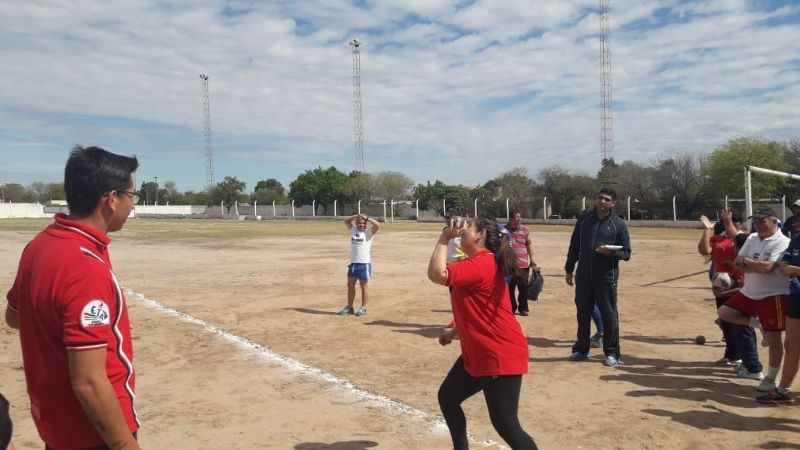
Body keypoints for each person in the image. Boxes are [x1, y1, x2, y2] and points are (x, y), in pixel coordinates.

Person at [4, 146, 141, 450]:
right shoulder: (84, 267)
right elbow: (88, 382)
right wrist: (124, 444)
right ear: (112, 198)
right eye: (132, 196)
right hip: (91, 432)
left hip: (56, 424)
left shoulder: (41, 244)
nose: (132, 206)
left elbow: (14, 316)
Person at [428, 218, 537, 450]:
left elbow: (437, 274)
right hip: (478, 352)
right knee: (448, 397)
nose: (462, 230)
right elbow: (484, 306)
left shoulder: (482, 262)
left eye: (468, 227)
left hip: (498, 354)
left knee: (507, 425)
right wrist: (456, 329)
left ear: (481, 235)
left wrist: (444, 237)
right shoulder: (481, 262)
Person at [718, 208, 790, 393]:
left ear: (774, 221)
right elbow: (738, 261)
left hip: (772, 294)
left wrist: (750, 264)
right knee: (725, 312)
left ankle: (771, 378)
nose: (758, 224)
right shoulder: (751, 238)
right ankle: (758, 324)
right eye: (755, 221)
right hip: (750, 291)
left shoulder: (783, 242)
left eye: (762, 221)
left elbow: (767, 268)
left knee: (774, 340)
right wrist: (755, 265)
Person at [564, 187, 631, 367]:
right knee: (583, 313)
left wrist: (610, 253)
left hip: (607, 277)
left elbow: (626, 253)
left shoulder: (618, 224)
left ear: (613, 203)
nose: (602, 201)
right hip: (584, 275)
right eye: (600, 198)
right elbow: (574, 245)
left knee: (609, 315)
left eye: (607, 199)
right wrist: (569, 269)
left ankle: (612, 353)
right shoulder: (584, 220)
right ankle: (581, 349)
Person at [698, 211, 759, 369]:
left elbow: (744, 277)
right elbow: (705, 250)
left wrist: (724, 291)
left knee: (741, 325)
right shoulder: (720, 237)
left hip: (738, 285)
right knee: (726, 322)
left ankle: (747, 361)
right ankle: (731, 355)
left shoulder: (745, 239)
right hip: (722, 284)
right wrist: (707, 230)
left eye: (735, 220)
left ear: (740, 223)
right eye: (729, 220)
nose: (732, 222)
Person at [757, 233, 800, 404]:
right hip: (796, 295)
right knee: (791, 345)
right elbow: (785, 261)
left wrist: (797, 271)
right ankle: (783, 391)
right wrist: (787, 266)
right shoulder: (797, 239)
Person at [338, 213, 380, 316]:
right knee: (350, 285)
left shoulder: (369, 232)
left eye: (363, 223)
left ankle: (363, 308)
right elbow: (346, 221)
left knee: (363, 286)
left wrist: (367, 218)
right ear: (356, 223)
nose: (361, 225)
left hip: (364, 264)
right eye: (359, 223)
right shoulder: (353, 230)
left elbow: (377, 225)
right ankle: (350, 307)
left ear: (366, 224)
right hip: (353, 264)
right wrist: (356, 216)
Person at [506, 211, 537, 316]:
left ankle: (523, 308)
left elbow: (529, 245)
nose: (519, 219)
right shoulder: (504, 230)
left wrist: (532, 260)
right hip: (508, 266)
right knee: (509, 289)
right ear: (510, 219)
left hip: (523, 264)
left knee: (523, 288)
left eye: (520, 217)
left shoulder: (525, 230)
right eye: (517, 217)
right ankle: (511, 308)